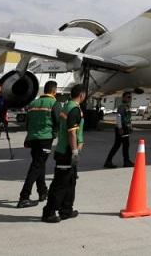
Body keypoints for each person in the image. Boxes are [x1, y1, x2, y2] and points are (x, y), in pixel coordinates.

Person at [42, 84, 86, 223]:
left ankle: (66, 210)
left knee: (70, 182)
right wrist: (74, 152)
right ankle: (49, 212)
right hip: (67, 152)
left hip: (68, 151)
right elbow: (72, 133)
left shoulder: (67, 106)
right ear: (82, 95)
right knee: (60, 184)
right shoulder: (73, 109)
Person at [17, 80, 59, 208]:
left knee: (39, 165)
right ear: (54, 91)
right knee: (36, 167)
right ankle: (24, 196)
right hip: (45, 138)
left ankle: (42, 192)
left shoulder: (33, 103)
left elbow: (27, 123)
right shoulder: (54, 103)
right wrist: (55, 134)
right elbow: (58, 122)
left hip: (33, 138)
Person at [104, 92, 134, 168]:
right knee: (122, 145)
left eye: (130, 97)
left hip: (125, 128)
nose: (129, 99)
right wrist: (120, 128)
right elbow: (119, 117)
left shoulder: (127, 107)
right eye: (127, 97)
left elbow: (127, 119)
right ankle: (125, 161)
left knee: (120, 145)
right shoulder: (122, 107)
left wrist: (130, 126)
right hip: (122, 128)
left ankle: (111, 161)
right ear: (123, 98)